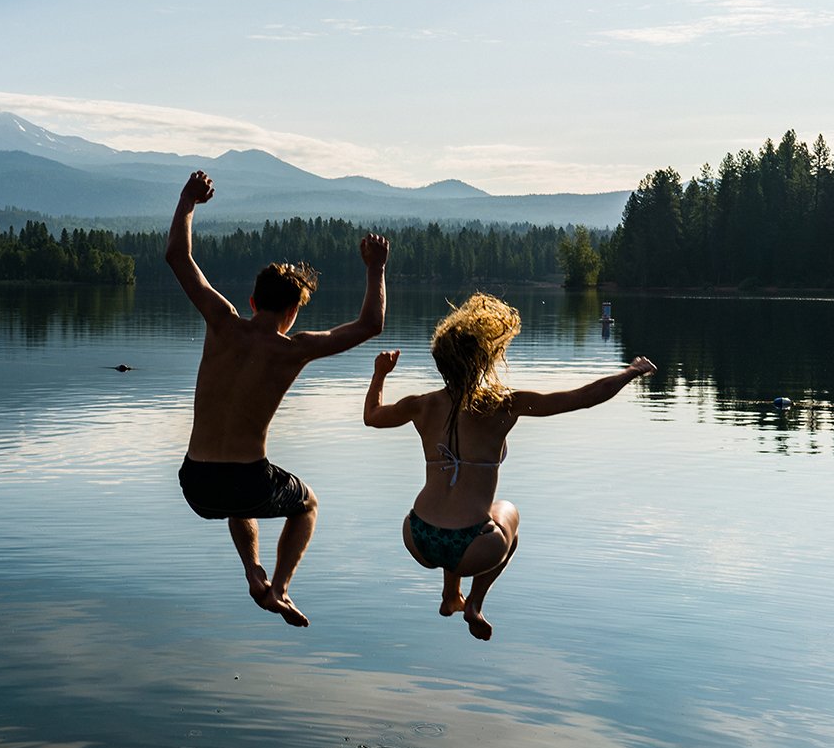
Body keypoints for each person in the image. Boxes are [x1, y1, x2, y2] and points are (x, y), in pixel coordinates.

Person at [362, 292, 656, 640]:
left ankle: (449, 595)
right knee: (507, 513)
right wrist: (631, 371)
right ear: (485, 359)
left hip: (417, 535)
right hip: (474, 548)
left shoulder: (420, 405)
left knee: (454, 513)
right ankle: (474, 602)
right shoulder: (503, 406)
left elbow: (372, 417)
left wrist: (380, 373)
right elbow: (582, 398)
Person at [167, 170, 389, 628]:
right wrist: (375, 269)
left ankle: (253, 572)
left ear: (251, 300)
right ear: (292, 312)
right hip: (246, 478)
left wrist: (188, 201)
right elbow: (370, 325)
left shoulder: (221, 320)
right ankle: (279, 589)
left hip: (195, 481)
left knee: (237, 502)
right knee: (305, 503)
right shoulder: (294, 348)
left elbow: (177, 255)